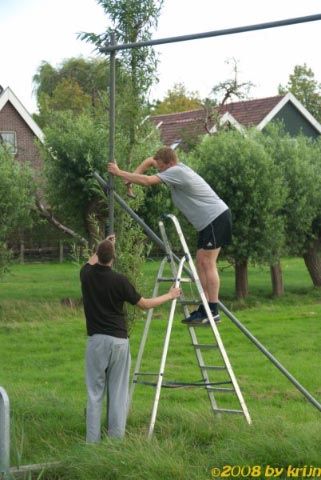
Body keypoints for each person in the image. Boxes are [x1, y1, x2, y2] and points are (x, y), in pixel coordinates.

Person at [107, 146, 232, 326]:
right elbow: (150, 161)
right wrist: (130, 180)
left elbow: (148, 181)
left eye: (161, 168)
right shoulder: (169, 168)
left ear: (170, 163)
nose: (159, 172)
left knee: (207, 262)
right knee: (201, 262)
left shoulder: (176, 171)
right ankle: (205, 308)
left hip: (215, 218)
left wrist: (120, 173)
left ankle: (213, 310)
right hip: (208, 221)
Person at [80, 234, 181, 442]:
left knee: (94, 394)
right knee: (118, 393)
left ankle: (92, 443)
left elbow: (91, 261)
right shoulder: (120, 280)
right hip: (118, 341)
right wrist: (170, 295)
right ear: (113, 258)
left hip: (96, 341)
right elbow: (144, 304)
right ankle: (116, 442)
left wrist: (105, 244)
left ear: (97, 255)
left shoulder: (86, 275)